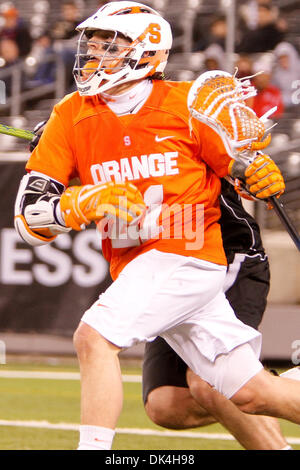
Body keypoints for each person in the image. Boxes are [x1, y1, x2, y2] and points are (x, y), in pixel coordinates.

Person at [14, 2, 300, 452]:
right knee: (248, 391)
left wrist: (257, 173)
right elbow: (29, 218)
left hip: (190, 253)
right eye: (91, 44)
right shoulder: (70, 115)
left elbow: (240, 168)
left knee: (95, 336)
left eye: (108, 45)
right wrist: (83, 200)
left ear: (145, 52)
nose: (93, 55)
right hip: (139, 265)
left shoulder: (187, 104)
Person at [142, 179, 291, 450]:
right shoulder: (81, 139)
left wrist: (249, 172)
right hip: (166, 266)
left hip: (223, 257)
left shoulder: (185, 134)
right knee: (166, 404)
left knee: (213, 384)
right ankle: (270, 385)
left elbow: (238, 162)